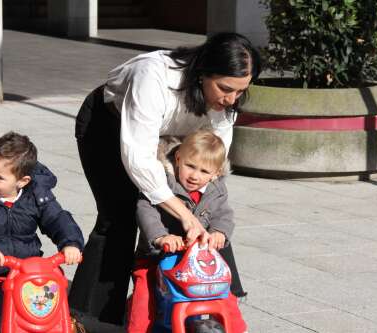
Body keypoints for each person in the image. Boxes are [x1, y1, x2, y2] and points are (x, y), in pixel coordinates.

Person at [69, 32, 261, 325]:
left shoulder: (226, 100)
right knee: (118, 217)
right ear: (202, 73)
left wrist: (200, 215)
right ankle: (91, 318)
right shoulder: (153, 75)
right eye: (225, 88)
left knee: (202, 213)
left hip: (176, 139)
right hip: (109, 126)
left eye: (240, 91)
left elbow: (215, 159)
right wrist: (182, 213)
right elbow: (139, 157)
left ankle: (216, 298)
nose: (232, 99)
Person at [0, 131, 84, 333]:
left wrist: (70, 243)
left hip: (24, 270)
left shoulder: (37, 195)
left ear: (22, 181)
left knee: (45, 302)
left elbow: (57, 218)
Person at [127, 130, 247, 333]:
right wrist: (161, 237)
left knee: (225, 294)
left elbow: (224, 214)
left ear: (215, 173)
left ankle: (236, 328)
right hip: (157, 258)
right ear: (178, 158)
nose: (194, 176)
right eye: (190, 166)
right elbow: (146, 210)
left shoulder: (215, 190)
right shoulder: (162, 182)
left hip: (197, 263)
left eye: (204, 171)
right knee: (143, 301)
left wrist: (219, 232)